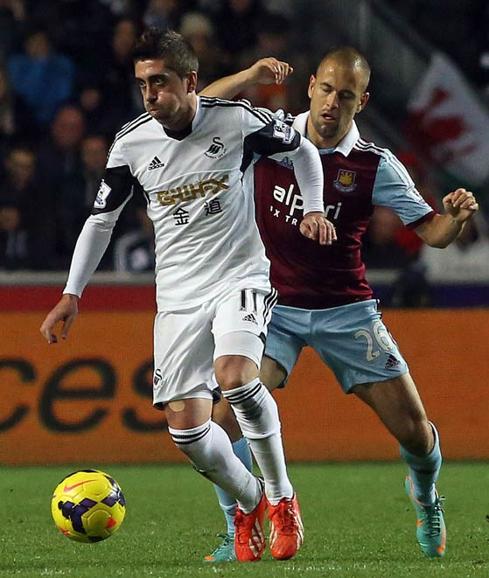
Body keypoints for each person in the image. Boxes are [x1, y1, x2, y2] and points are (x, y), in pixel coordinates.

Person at [39, 29, 337, 563]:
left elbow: (305, 151)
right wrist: (71, 293)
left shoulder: (238, 121)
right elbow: (100, 221)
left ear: (190, 81)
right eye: (142, 85)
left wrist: (313, 207)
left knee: (236, 378)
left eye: (160, 82)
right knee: (187, 429)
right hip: (177, 295)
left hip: (239, 276)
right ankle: (248, 501)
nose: (150, 95)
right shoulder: (131, 143)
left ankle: (281, 497)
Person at [200, 47, 479, 561]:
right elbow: (199, 108)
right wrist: (247, 75)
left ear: (362, 101)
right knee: (222, 420)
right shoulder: (269, 136)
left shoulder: (375, 165)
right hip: (271, 306)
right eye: (326, 90)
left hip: (345, 310)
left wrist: (455, 218)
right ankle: (237, 522)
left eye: (346, 96)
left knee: (415, 433)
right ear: (311, 87)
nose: (333, 103)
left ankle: (426, 496)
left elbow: (434, 233)